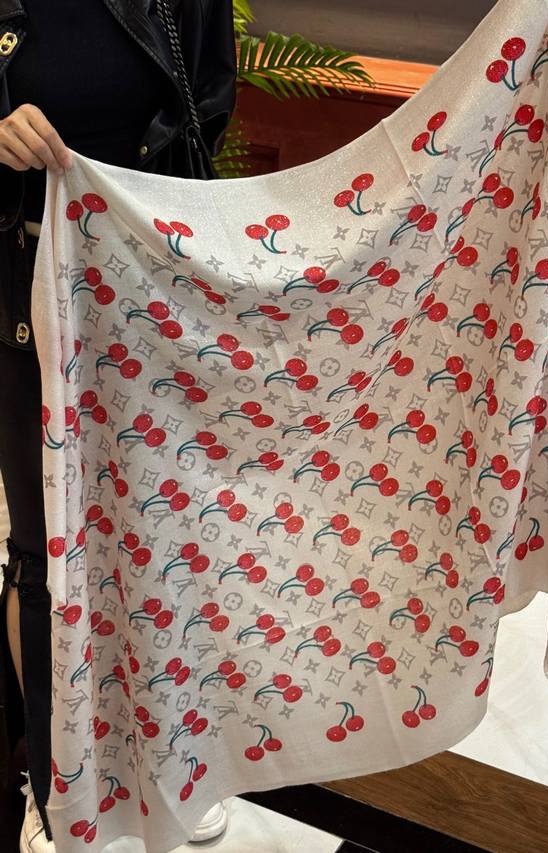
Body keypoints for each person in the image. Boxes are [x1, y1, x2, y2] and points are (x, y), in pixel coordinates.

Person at [0, 2, 237, 850]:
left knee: (165, 530)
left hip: (148, 286)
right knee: (47, 546)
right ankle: (49, 779)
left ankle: (174, 760)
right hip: (26, 281)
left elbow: (210, 100)